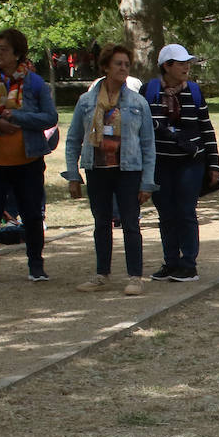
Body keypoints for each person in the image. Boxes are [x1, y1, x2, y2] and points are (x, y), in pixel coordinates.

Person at [0, 28, 57, 285]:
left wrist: (18, 117)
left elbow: (50, 117)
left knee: (32, 214)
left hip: (28, 161)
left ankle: (36, 266)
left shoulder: (34, 83)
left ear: (17, 53)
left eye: (3, 49)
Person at [62, 44, 156, 296]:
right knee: (101, 222)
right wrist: (73, 175)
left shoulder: (138, 102)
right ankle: (101, 273)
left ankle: (135, 276)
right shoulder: (86, 101)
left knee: (130, 223)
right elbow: (73, 140)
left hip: (128, 170)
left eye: (126, 64)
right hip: (97, 169)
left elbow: (148, 144)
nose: (123, 68)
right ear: (105, 67)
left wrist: (147, 182)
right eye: (118, 64)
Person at [143, 43, 219, 283]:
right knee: (165, 213)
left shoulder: (194, 92)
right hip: (159, 164)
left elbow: (206, 129)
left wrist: (214, 164)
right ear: (167, 66)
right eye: (181, 63)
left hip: (190, 162)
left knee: (186, 212)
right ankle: (171, 262)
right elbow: (142, 130)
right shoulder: (149, 91)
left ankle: (188, 264)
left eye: (188, 62)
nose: (187, 67)